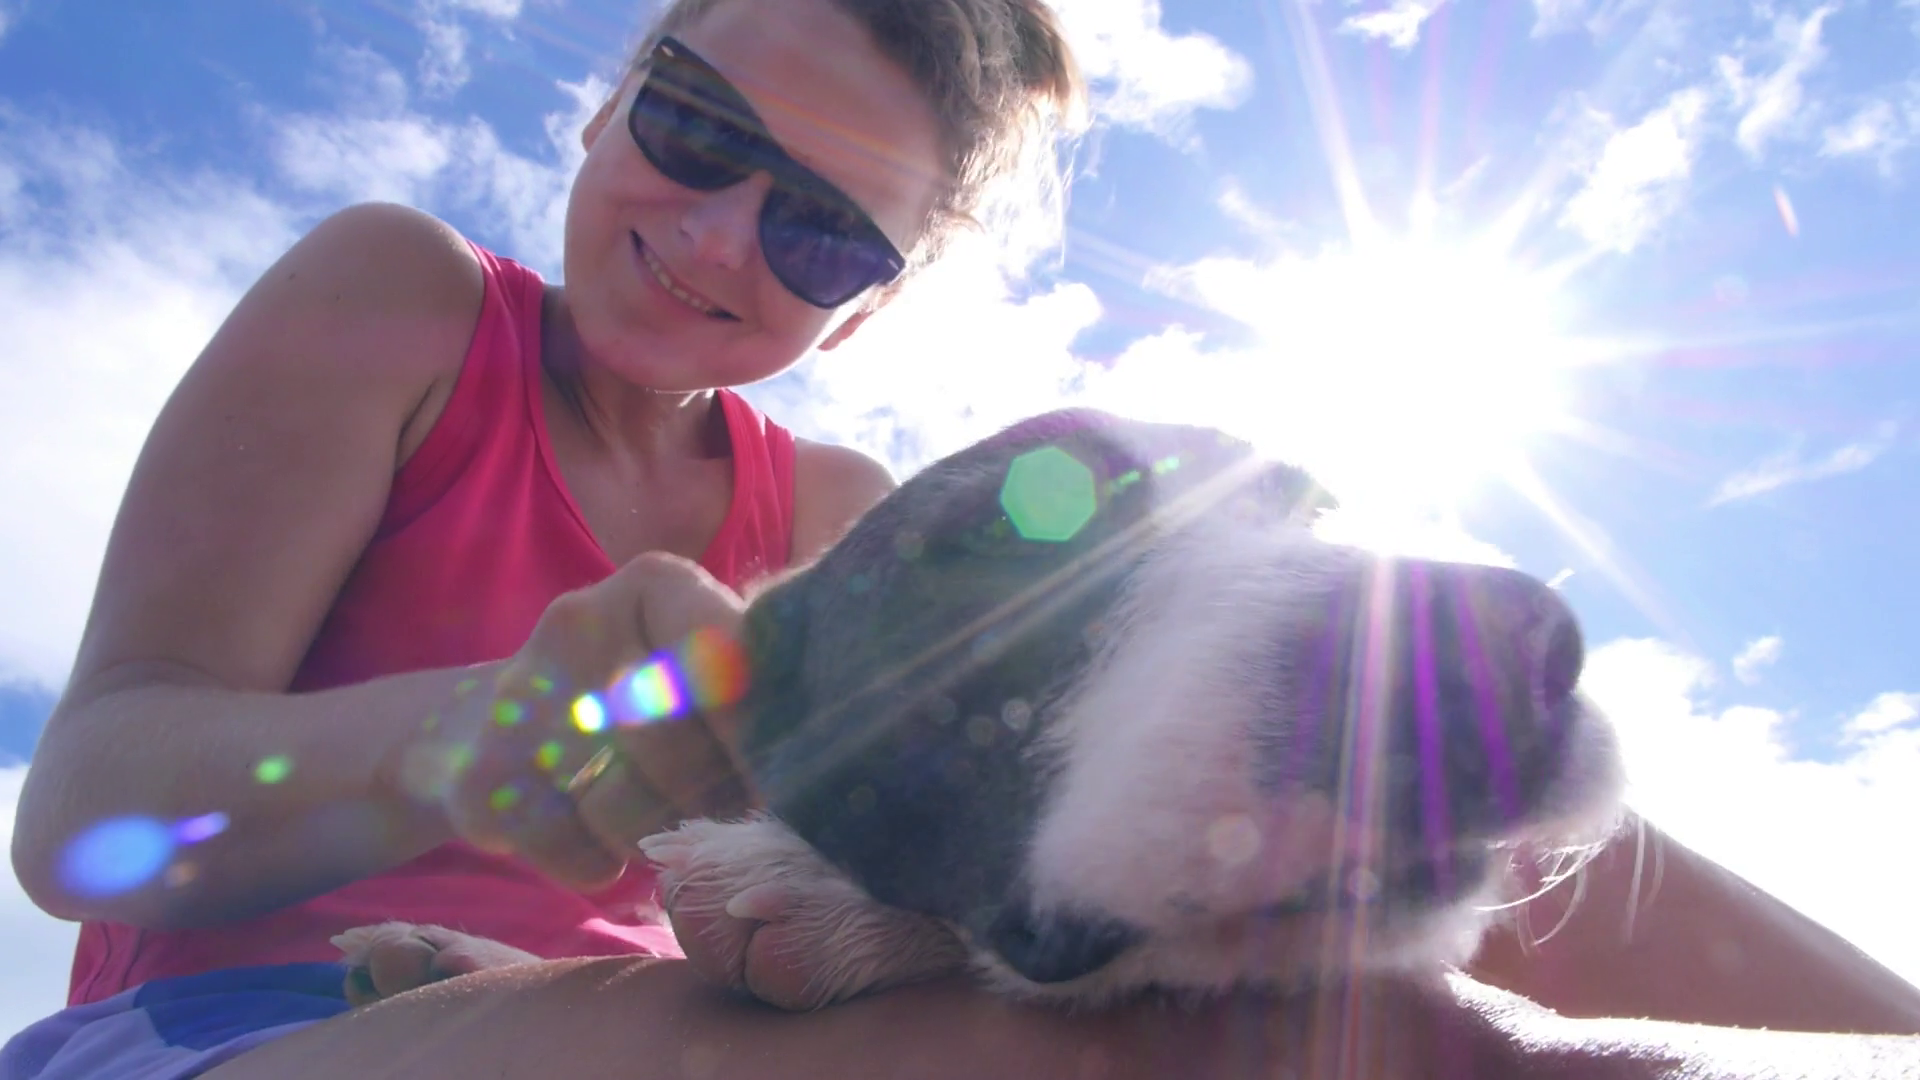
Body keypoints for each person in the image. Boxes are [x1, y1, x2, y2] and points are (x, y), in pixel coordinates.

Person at [4, 0, 1918, 1076]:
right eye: (695, 126)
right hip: (213, 1033)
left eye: (824, 231)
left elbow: (1446, 815)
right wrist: (475, 731)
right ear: (604, 108)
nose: (722, 236)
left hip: (640, 1021)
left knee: (1385, 863)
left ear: (875, 306)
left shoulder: (844, 526)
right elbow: (77, 817)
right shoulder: (407, 300)